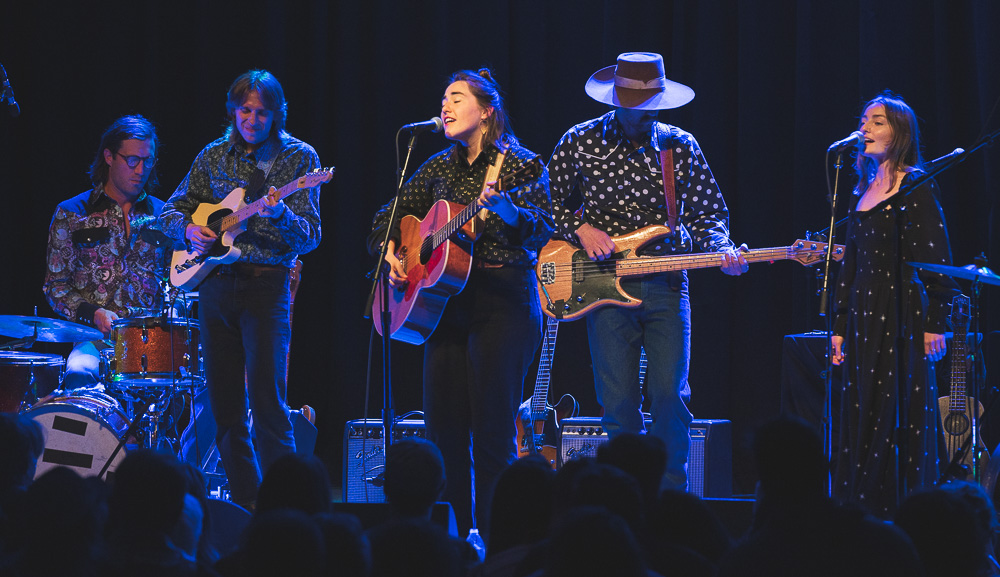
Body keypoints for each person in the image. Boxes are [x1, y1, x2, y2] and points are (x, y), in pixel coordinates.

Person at [546, 52, 747, 491]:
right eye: (634, 100)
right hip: (601, 284)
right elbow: (543, 201)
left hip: (666, 284)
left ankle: (670, 498)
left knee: (671, 397)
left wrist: (722, 251)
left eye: (650, 100)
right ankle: (624, 495)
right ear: (615, 99)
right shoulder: (580, 141)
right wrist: (581, 228)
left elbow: (709, 214)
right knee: (617, 403)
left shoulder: (679, 144)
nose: (644, 110)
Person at [368, 68, 554, 538]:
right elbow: (383, 220)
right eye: (444, 99)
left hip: (502, 302)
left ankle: (499, 545)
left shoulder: (521, 165)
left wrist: (509, 211)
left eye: (456, 98)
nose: (445, 107)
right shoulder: (436, 166)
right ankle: (448, 543)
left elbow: (543, 225)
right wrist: (392, 250)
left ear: (487, 110)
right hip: (446, 310)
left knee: (492, 436)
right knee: (443, 435)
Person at [159, 69, 323, 511]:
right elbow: (170, 210)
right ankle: (250, 509)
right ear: (233, 110)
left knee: (269, 406)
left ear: (276, 115)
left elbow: (309, 236)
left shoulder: (298, 159)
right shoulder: (212, 156)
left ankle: (285, 508)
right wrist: (191, 231)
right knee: (226, 411)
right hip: (214, 286)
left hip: (265, 288)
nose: (252, 119)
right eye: (245, 110)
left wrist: (279, 212)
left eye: (262, 112)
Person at [830, 91, 960, 517]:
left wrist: (936, 322)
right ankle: (857, 513)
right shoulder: (859, 192)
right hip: (864, 313)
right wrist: (839, 325)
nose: (865, 128)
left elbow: (937, 260)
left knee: (897, 411)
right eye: (864, 119)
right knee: (860, 409)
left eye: (878, 121)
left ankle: (901, 515)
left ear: (900, 132)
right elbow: (848, 269)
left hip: (902, 312)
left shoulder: (917, 185)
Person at [43, 115, 167, 390]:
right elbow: (56, 286)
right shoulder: (73, 212)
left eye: (148, 161)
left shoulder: (165, 216)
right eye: (132, 160)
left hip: (153, 341)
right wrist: (93, 313)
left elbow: (181, 283)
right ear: (109, 156)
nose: (140, 169)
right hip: (94, 338)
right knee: (79, 371)